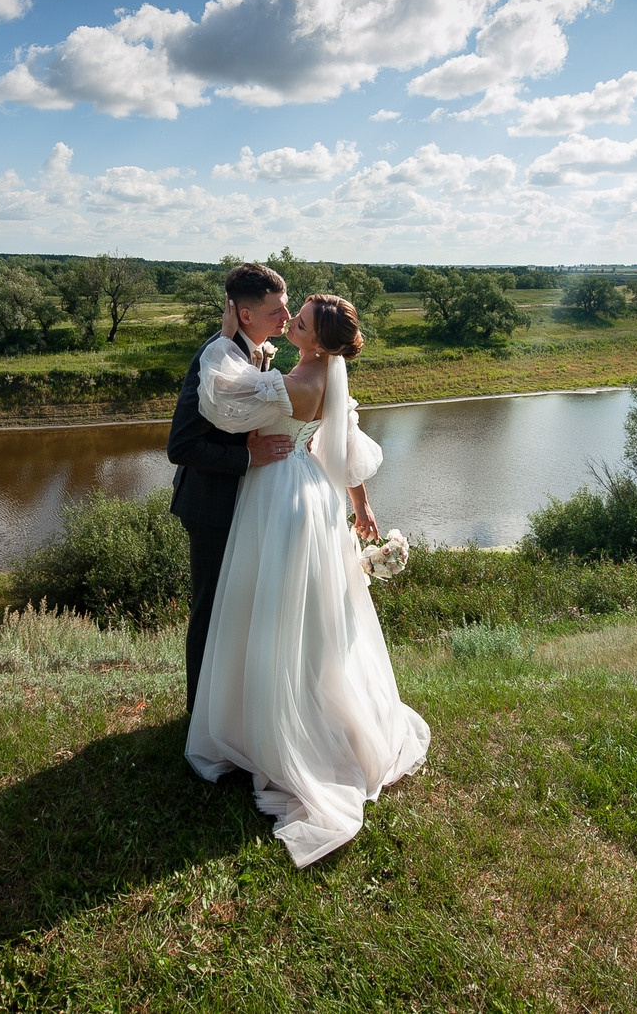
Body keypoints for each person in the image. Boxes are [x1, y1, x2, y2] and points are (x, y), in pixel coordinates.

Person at [184, 292, 431, 867]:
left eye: (300, 321)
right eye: (293, 315)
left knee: (275, 608)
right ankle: (290, 706)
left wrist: (227, 337)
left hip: (283, 497)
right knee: (310, 612)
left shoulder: (296, 383)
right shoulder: (321, 373)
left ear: (317, 341)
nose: (290, 322)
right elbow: (343, 446)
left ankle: (280, 727)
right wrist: (361, 505)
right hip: (315, 492)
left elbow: (221, 400)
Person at [166, 262, 294, 715]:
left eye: (286, 307)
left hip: (244, 503)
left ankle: (230, 709)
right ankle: (198, 715)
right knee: (211, 609)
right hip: (211, 507)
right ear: (245, 315)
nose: (287, 316)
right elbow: (181, 445)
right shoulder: (215, 356)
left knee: (240, 607)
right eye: (277, 310)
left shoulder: (256, 350)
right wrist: (248, 458)